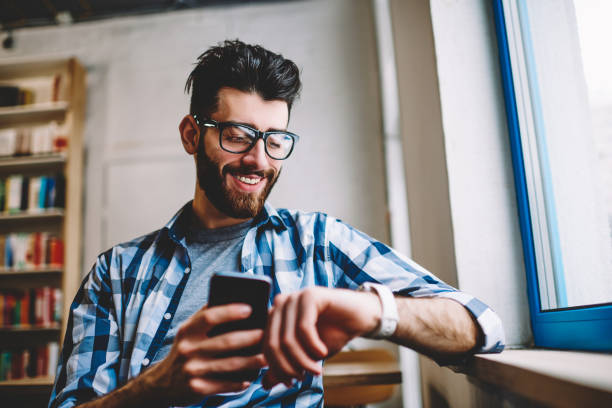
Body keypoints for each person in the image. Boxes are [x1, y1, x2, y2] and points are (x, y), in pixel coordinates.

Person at [49, 40, 504, 408]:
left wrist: (373, 310)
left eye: (275, 140)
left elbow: (479, 325)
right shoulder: (117, 273)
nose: (258, 160)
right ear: (192, 135)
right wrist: (157, 388)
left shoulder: (317, 241)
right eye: (238, 136)